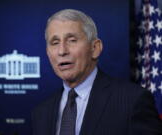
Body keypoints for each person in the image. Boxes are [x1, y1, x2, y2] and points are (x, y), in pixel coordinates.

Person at [32, 9, 162, 135]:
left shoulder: (133, 101)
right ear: (48, 53)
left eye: (72, 40)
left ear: (95, 48)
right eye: (55, 43)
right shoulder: (41, 113)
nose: (62, 51)